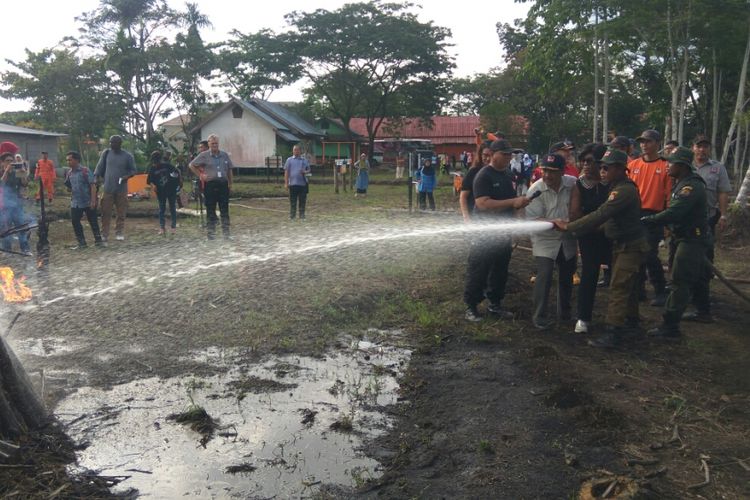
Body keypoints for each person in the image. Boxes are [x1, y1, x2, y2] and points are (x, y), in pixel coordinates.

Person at [553, 149, 649, 348]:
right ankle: (631, 323)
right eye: (601, 166)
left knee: (619, 287)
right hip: (624, 244)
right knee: (627, 285)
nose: (602, 170)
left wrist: (569, 227)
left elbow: (602, 214)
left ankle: (613, 333)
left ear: (620, 169)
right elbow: (611, 221)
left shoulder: (623, 190)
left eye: (607, 167)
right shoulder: (617, 187)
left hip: (629, 246)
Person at [641, 147, 709, 339]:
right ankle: (702, 311)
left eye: (671, 163)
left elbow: (674, 213)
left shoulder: (691, 187)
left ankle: (670, 327)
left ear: (682, 165)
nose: (667, 166)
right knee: (692, 276)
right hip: (685, 237)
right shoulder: (681, 183)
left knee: (680, 281)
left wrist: (648, 220)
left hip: (691, 239)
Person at [463, 139, 531, 322]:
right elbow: (482, 203)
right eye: (505, 154)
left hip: (504, 232)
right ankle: (471, 306)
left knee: (501, 269)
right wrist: (513, 202)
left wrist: (517, 225)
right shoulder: (483, 175)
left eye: (510, 154)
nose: (509, 157)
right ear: (493, 155)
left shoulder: (508, 175)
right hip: (484, 232)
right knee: (479, 269)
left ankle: (495, 304)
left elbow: (514, 202)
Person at [525, 153, 578, 330]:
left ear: (562, 171)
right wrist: (554, 222)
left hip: (567, 239)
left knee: (566, 276)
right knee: (545, 275)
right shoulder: (535, 189)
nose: (547, 175)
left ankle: (564, 313)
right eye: (545, 170)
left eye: (552, 171)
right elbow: (531, 220)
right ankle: (539, 316)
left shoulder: (572, 183)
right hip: (545, 239)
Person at [685, 134, 732, 322]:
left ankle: (702, 302)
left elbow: (722, 192)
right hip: (684, 220)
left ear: (709, 149)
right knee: (679, 257)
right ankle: (686, 294)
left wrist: (723, 214)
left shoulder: (717, 168)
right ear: (693, 148)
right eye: (698, 146)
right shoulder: (684, 166)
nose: (702, 150)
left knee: (704, 260)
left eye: (705, 146)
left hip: (707, 219)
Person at [569, 143, 611, 333]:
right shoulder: (580, 185)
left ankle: (625, 317)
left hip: (612, 236)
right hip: (589, 236)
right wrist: (595, 226)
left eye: (589, 161)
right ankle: (583, 318)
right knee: (589, 273)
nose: (585, 165)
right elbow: (575, 214)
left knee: (621, 276)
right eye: (582, 161)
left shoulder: (612, 183)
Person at [628, 129, 671, 306]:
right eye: (642, 142)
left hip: (654, 215)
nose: (644, 145)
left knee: (650, 254)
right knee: (634, 254)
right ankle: (639, 290)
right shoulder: (633, 165)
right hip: (633, 214)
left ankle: (660, 289)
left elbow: (669, 195)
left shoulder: (666, 166)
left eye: (648, 141)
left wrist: (667, 221)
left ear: (657, 143)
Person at [189, 134, 233, 239]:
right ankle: (211, 234)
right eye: (212, 143)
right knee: (210, 210)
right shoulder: (204, 155)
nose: (214, 145)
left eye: (216, 143)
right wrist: (200, 175)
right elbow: (191, 165)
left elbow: (230, 169)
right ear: (208, 144)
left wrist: (230, 184)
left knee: (224, 210)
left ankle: (226, 234)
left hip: (223, 184)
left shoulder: (224, 155)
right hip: (210, 185)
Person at [94, 135, 136, 242]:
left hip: (121, 189)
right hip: (108, 188)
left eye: (114, 143)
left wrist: (127, 176)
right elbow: (99, 167)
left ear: (120, 143)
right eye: (111, 142)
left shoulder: (127, 156)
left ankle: (119, 232)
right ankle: (104, 234)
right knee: (105, 212)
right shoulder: (106, 153)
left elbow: (133, 170)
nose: (111, 144)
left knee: (121, 212)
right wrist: (96, 177)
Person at [64, 151, 103, 248]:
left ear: (76, 160)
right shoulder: (69, 173)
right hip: (76, 202)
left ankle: (98, 241)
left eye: (70, 160)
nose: (68, 162)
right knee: (75, 221)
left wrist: (93, 201)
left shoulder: (85, 171)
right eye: (67, 160)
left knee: (93, 221)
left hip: (87, 201)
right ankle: (82, 243)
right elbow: (69, 186)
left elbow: (92, 185)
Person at [1, 152, 31, 255]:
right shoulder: (1, 172)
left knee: (21, 226)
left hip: (16, 204)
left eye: (11, 161)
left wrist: (22, 173)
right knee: (5, 229)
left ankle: (25, 249)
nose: (10, 163)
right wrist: (6, 172)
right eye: (7, 161)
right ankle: (7, 250)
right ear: (2, 162)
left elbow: (25, 184)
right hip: (3, 206)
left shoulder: (16, 172)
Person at [147, 150, 181, 234]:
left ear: (160, 159)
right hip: (160, 192)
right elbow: (149, 181)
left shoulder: (167, 166)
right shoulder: (152, 169)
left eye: (157, 160)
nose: (156, 162)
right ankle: (162, 228)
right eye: (155, 161)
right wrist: (153, 185)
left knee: (172, 208)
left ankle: (173, 227)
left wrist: (179, 182)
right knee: (162, 209)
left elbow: (177, 172)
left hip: (171, 190)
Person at [459, 141, 491, 222]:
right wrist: (466, 218)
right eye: (485, 155)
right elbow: (463, 197)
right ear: (480, 155)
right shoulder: (473, 172)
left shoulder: (500, 172)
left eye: (490, 155)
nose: (488, 158)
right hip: (474, 217)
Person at [284, 145, 311, 220]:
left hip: (303, 184)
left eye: (297, 150)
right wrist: (286, 183)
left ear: (300, 151)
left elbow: (309, 171)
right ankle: (292, 216)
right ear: (293, 151)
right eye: (294, 150)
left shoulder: (304, 160)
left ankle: (302, 216)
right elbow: (286, 172)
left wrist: (305, 172)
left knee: (302, 201)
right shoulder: (289, 160)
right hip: (292, 184)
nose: (296, 151)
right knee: (293, 201)